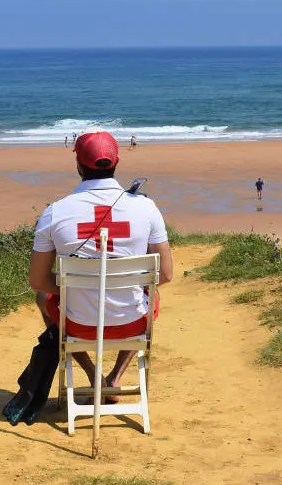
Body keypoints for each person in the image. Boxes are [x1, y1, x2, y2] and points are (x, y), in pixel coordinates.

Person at [29, 131, 174, 394]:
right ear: (117, 162)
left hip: (78, 325)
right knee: (151, 294)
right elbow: (164, 274)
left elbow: (38, 280)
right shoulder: (146, 208)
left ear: (78, 165)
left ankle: (92, 373)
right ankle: (115, 377)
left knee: (42, 296)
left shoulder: (55, 211)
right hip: (133, 322)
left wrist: (81, 287)